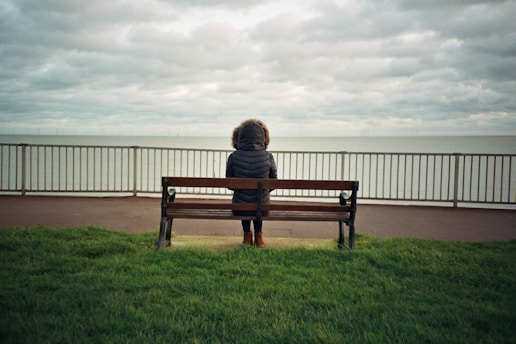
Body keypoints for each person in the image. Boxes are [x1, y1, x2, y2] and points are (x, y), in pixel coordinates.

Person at [226, 119, 277, 248]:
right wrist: (263, 191)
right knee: (259, 202)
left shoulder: (233, 157)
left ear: (239, 137)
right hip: (263, 207)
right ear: (263, 138)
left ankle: (247, 237)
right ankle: (259, 238)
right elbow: (273, 182)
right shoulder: (268, 157)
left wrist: (242, 188)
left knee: (244, 202)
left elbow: (230, 184)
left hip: (240, 207)